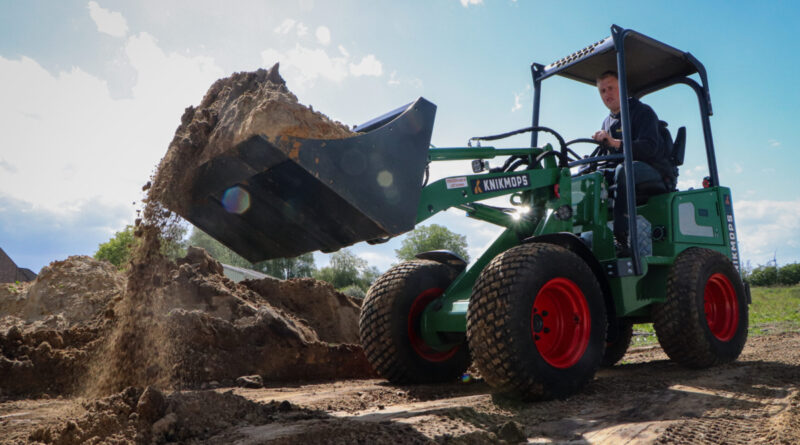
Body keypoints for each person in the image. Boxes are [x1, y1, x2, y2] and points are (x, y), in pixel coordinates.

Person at [592, 71, 673, 255]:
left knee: (624, 171)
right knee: (590, 176)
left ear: (622, 88)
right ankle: (589, 236)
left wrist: (614, 143)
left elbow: (649, 148)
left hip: (655, 170)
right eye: (602, 91)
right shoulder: (607, 122)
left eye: (611, 88)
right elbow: (608, 158)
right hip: (625, 171)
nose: (607, 94)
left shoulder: (642, 112)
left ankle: (622, 239)